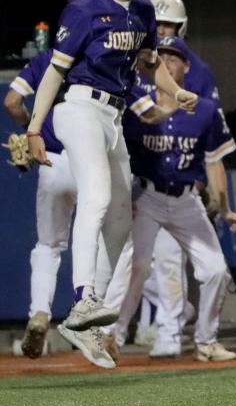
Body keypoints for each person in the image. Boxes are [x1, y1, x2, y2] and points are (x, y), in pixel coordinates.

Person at [24, 0, 197, 359]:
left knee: (120, 220)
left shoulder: (141, 9)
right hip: (79, 108)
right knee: (97, 198)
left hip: (113, 116)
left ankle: (88, 312)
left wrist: (174, 92)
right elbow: (54, 73)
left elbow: (150, 65)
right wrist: (32, 130)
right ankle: (83, 299)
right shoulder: (84, 7)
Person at [5, 50, 171, 366]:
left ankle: (40, 310)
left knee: (48, 245)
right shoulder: (110, 63)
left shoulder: (47, 58)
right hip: (92, 160)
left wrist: (30, 130)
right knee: (118, 243)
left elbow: (11, 101)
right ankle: (101, 327)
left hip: (51, 158)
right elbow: (148, 112)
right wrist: (172, 103)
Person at [118, 36, 236, 361]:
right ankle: (111, 339)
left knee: (216, 271)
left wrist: (225, 209)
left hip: (187, 200)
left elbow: (215, 161)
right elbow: (121, 155)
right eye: (162, 58)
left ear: (186, 66)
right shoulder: (137, 108)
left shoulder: (205, 110)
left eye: (174, 58)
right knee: (137, 267)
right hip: (146, 196)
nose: (168, 63)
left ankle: (206, 341)